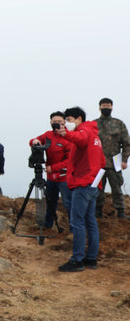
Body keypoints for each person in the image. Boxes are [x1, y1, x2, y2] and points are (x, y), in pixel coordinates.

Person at [57, 107, 106, 272]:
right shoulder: (96, 137)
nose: (67, 124)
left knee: (77, 222)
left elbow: (80, 138)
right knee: (90, 221)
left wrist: (66, 134)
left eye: (69, 120)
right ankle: (91, 258)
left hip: (83, 184)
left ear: (79, 119)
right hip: (93, 184)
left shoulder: (85, 131)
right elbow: (103, 161)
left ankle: (77, 260)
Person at [29, 111, 72, 227]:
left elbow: (70, 161)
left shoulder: (69, 137)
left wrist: (53, 168)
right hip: (51, 178)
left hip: (64, 177)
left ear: (64, 123)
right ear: (50, 123)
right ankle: (48, 225)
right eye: (54, 122)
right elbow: (33, 141)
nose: (57, 124)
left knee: (68, 203)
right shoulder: (48, 135)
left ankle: (74, 228)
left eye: (59, 122)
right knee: (50, 202)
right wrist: (35, 141)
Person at [95, 97, 130, 218]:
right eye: (103, 106)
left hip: (115, 163)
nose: (106, 108)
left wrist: (125, 160)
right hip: (98, 163)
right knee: (97, 188)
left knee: (117, 188)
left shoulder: (118, 124)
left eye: (108, 105)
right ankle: (97, 211)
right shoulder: (93, 124)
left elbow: (127, 144)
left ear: (112, 107)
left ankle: (120, 212)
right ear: (99, 107)